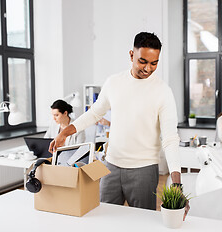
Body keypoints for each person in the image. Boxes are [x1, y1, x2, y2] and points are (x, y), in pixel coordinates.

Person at [49, 32, 188, 217]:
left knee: (142, 223)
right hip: (111, 166)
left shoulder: (163, 91)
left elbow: (170, 139)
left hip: (144, 170)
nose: (148, 68)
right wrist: (65, 132)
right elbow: (95, 113)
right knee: (104, 218)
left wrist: (177, 183)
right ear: (131, 55)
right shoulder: (114, 82)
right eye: (143, 61)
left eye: (154, 63)